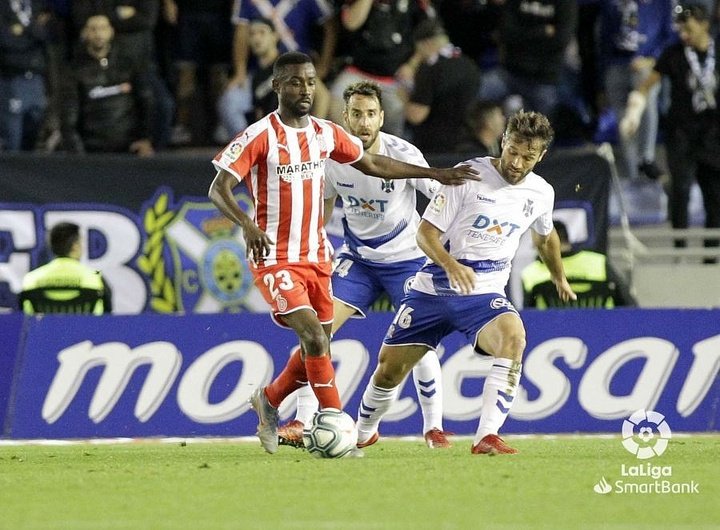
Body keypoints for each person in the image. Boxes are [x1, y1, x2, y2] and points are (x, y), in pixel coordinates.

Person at [208, 51, 477, 454]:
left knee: (397, 339)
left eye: (312, 82)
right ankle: (329, 422)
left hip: (367, 257)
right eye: (296, 82)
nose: (305, 90)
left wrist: (437, 174)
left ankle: (273, 400)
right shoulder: (260, 136)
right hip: (296, 257)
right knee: (317, 334)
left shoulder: (327, 136)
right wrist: (247, 224)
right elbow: (218, 188)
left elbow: (376, 166)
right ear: (278, 86)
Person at [354, 110, 577, 455]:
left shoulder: (541, 193)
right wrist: (450, 263)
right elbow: (425, 234)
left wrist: (559, 276)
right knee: (388, 372)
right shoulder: (468, 176)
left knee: (514, 338)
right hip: (434, 288)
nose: (517, 163)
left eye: (527, 157)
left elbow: (545, 238)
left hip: (483, 292)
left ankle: (486, 435)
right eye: (512, 151)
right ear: (502, 141)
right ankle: (363, 432)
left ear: (541, 156)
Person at [276, 81, 452, 449]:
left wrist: (443, 250)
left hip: (406, 262)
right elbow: (320, 208)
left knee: (418, 341)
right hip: (357, 261)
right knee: (317, 331)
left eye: (371, 114)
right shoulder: (330, 159)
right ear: (346, 117)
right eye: (356, 114)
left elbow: (440, 202)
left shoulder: (403, 154)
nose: (364, 122)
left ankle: (434, 428)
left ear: (382, 117)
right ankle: (303, 420)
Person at [620, 3, 720, 257]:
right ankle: (680, 251)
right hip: (682, 133)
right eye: (680, 27)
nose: (683, 32)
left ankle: (712, 254)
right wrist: (634, 113)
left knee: (715, 193)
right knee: (681, 190)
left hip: (713, 134)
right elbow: (646, 85)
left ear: (704, 24)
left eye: (689, 27)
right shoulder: (673, 53)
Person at [327, 0, 434, 138]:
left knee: (399, 115)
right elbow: (351, 23)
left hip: (395, 78)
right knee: (336, 106)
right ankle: (352, 152)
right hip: (358, 72)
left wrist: (413, 64)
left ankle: (393, 154)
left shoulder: (414, 5)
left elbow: (432, 36)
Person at [599, 0, 675, 182]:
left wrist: (653, 59)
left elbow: (669, 37)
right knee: (622, 117)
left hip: (646, 64)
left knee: (644, 104)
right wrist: (603, 74)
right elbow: (604, 38)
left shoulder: (662, 4)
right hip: (616, 64)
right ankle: (632, 168)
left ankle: (646, 158)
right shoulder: (612, 4)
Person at [59, 14, 155, 155]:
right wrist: (78, 157)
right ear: (85, 33)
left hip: (128, 146)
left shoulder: (128, 64)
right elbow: (69, 119)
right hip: (92, 149)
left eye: (103, 28)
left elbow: (146, 102)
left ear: (111, 31)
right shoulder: (75, 71)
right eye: (93, 29)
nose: (98, 34)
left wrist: (145, 139)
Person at [403, 18, 481, 154]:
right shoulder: (470, 65)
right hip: (466, 145)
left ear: (426, 44)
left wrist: (403, 93)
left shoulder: (431, 68)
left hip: (433, 149)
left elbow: (416, 116)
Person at [521, 220, 636, 308]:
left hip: (554, 335)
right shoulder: (599, 262)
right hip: (606, 331)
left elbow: (528, 318)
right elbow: (630, 305)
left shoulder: (530, 273)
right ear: (567, 239)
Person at [20, 222, 112, 314]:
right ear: (75, 246)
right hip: (85, 328)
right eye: (81, 242)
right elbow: (107, 318)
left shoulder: (30, 279)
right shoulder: (96, 278)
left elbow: (22, 317)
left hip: (45, 328)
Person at [0, 0, 51, 151]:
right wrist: (33, 31)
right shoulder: (3, 6)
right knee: (12, 137)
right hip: (10, 78)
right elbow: (4, 40)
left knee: (34, 131)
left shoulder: (38, 4)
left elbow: (45, 35)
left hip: (36, 77)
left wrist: (24, 28)